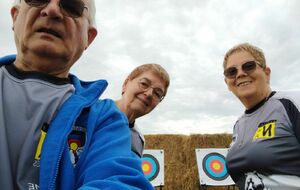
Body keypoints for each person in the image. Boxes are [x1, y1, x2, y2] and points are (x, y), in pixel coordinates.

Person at [0, 0, 153, 189]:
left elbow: (119, 181)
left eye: (71, 6)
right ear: (15, 16)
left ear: (88, 37)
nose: (52, 10)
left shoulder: (105, 120)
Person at [223, 43, 300, 190]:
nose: (240, 74)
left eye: (249, 66)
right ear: (227, 82)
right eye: (231, 72)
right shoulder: (239, 125)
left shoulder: (291, 103)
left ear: (266, 72)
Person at [115, 64, 170, 157]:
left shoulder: (138, 139)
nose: (149, 94)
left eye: (157, 93)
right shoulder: (90, 112)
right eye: (144, 84)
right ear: (125, 84)